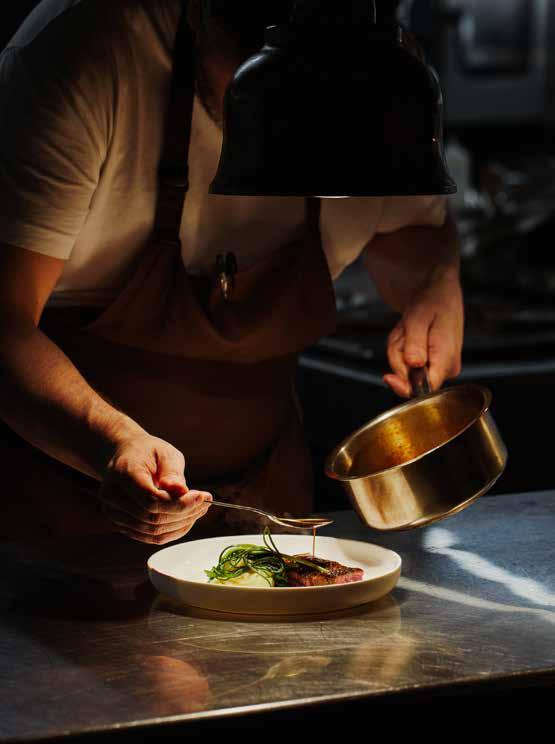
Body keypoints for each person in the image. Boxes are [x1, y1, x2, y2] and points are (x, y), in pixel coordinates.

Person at [0, 0, 463, 544]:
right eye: (271, 85)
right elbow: (5, 323)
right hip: (63, 512)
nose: (297, 120)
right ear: (201, 16)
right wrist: (111, 441)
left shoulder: (386, 80)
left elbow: (410, 229)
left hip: (266, 505)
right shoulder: (85, 50)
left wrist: (436, 282)